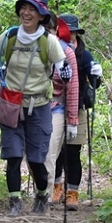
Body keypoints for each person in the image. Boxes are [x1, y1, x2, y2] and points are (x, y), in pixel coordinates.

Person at [0, 0, 69, 217]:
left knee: (37, 160)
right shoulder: (10, 36)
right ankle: (14, 202)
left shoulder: (48, 41)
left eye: (32, 9)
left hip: (39, 106)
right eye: (24, 8)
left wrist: (66, 72)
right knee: (12, 156)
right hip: (10, 103)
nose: (26, 13)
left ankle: (41, 195)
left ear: (41, 16)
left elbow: (61, 65)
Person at [51, 13, 102, 211]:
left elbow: (95, 83)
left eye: (72, 33)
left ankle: (72, 192)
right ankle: (56, 187)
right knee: (55, 151)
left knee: (72, 152)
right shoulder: (52, 50)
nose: (69, 36)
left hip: (77, 107)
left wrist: (97, 75)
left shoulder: (84, 55)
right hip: (53, 105)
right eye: (66, 32)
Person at [43, 13, 79, 205]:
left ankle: (45, 198)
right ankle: (42, 189)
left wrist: (72, 121)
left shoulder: (68, 52)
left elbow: (72, 89)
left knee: (50, 152)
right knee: (33, 155)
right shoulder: (29, 47)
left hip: (57, 106)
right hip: (32, 106)